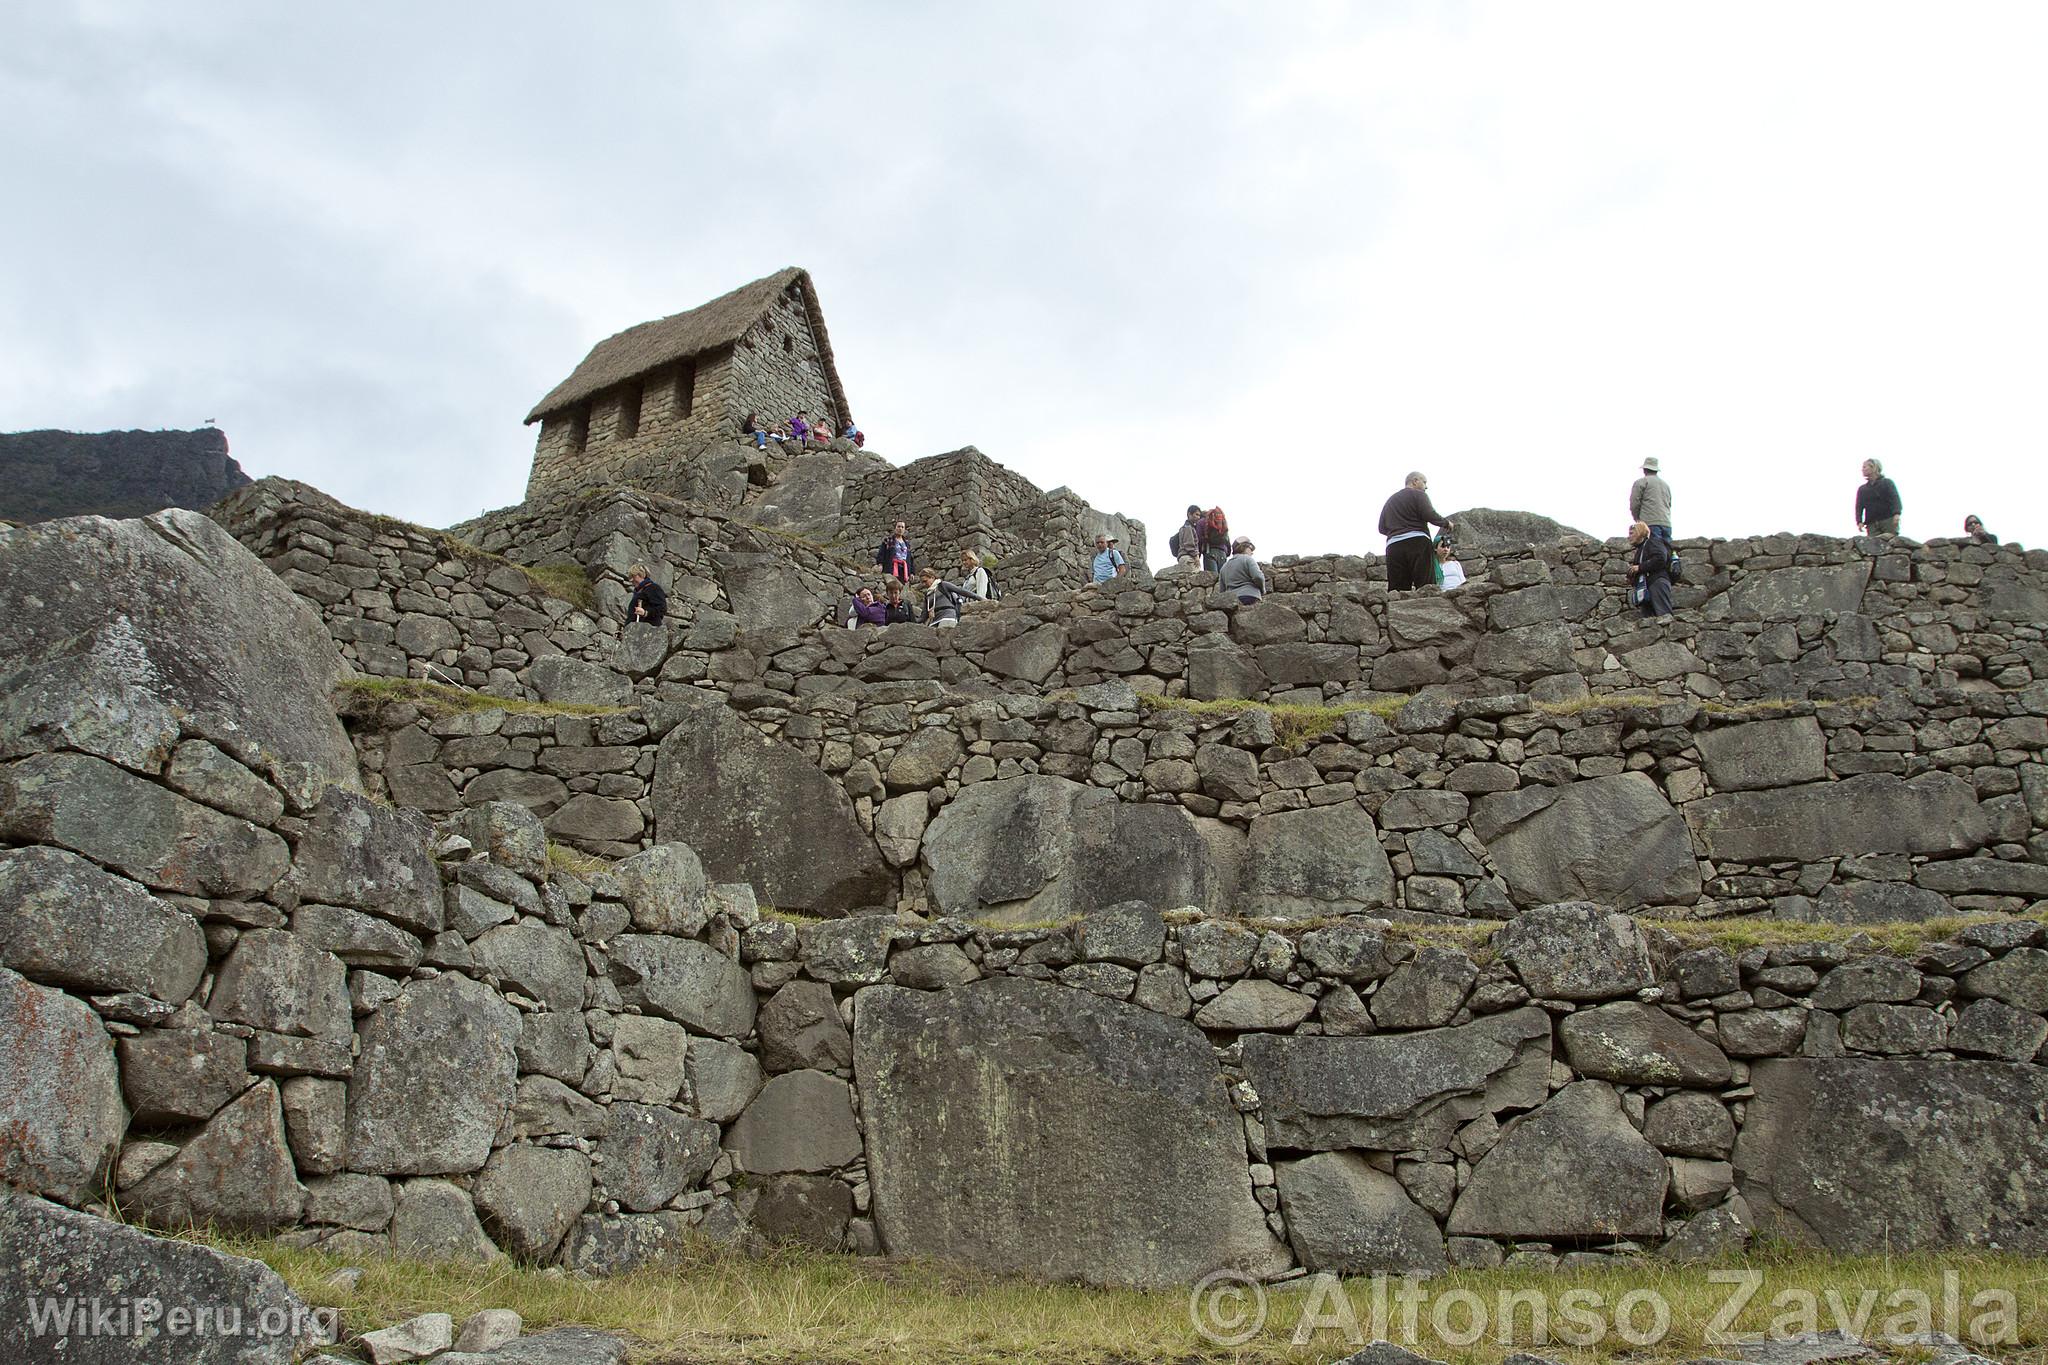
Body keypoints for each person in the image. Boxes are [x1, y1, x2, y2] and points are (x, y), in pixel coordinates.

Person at [1379, 472, 1453, 591]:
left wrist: (1397, 531)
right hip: (1418, 542)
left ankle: (1397, 608)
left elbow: (1381, 528)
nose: (1426, 487)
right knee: (1426, 585)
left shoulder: (1390, 501)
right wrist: (1446, 523)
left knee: (1398, 589)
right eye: (1424, 482)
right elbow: (1429, 514)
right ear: (1415, 481)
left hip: (1393, 546)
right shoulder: (1419, 495)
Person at [1627, 521, 1674, 618]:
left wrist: (1640, 567)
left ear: (1640, 532)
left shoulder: (1653, 542)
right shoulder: (1641, 549)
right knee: (1649, 621)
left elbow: (1660, 559)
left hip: (1657, 582)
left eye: (1631, 533)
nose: (1629, 537)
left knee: (1664, 616)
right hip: (1647, 586)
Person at [1629, 457, 1673, 542]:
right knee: (1666, 551)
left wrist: (1638, 520)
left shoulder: (1641, 482)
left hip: (1649, 523)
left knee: (1653, 550)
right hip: (1666, 523)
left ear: (1644, 469)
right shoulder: (1666, 485)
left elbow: (1634, 503)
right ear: (1656, 470)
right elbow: (1669, 503)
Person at [1855, 459, 1902, 535]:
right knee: (1872, 546)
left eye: (1864, 467)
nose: (1862, 469)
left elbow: (1895, 499)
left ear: (1874, 467)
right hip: (1871, 524)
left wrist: (1897, 514)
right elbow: (1859, 507)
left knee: (1891, 543)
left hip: (1888, 520)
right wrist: (1859, 521)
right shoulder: (1862, 489)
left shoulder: (1887, 483)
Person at [1219, 538, 1268, 605]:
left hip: (1231, 601)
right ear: (1243, 547)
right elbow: (1258, 577)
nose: (1252, 552)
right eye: (1251, 548)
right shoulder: (1247, 559)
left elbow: (1222, 591)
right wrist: (1262, 590)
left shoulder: (1224, 567)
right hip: (1251, 596)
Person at [1201, 507, 1230, 574]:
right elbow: (1227, 539)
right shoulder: (1222, 523)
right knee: (1222, 578)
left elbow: (1198, 539)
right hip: (1223, 553)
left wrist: (1198, 553)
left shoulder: (1202, 522)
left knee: (1212, 578)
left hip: (1210, 551)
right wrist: (1227, 552)